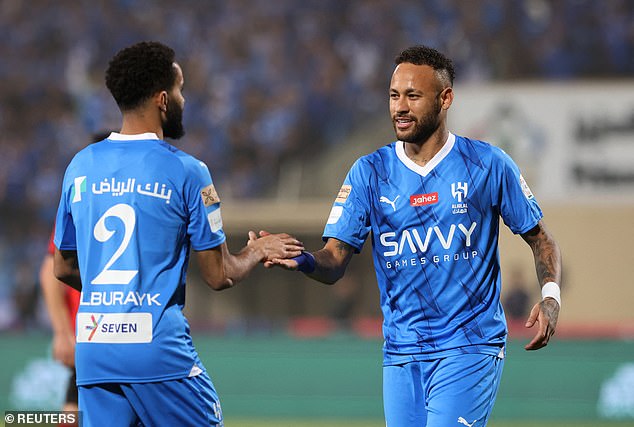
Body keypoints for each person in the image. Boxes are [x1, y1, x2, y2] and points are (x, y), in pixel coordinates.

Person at [267, 45, 562, 426]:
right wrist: (303, 259)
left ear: (445, 98)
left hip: (468, 345)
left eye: (412, 96)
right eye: (393, 96)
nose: (399, 107)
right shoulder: (369, 173)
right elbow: (334, 259)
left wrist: (551, 298)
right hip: (401, 354)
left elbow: (541, 238)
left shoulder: (486, 164)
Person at [53, 41, 303, 427]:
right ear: (163, 99)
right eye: (181, 89)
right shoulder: (188, 172)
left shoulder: (79, 167)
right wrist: (256, 250)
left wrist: (116, 302)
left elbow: (62, 268)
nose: (185, 99)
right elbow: (219, 275)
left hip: (95, 347)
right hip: (157, 351)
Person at [40, 229, 80, 419]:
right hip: (92, 332)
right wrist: (62, 332)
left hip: (92, 332)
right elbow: (50, 270)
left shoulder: (80, 199)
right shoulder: (77, 199)